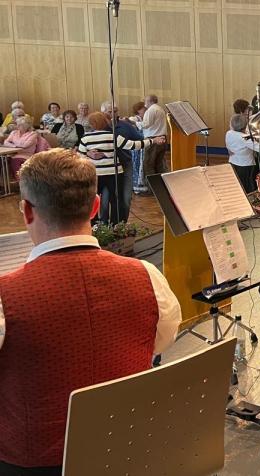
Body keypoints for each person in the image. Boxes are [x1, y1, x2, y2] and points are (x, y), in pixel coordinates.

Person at [0, 148, 181, 474]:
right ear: (96, 206)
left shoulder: (5, 295)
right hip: (129, 451)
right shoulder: (147, 276)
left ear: (27, 211)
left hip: (36, 465)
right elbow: (157, 345)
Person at [78, 111, 163, 224]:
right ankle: (116, 225)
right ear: (104, 122)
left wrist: (89, 154)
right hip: (114, 173)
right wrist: (153, 140)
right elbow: (133, 145)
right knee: (116, 200)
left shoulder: (86, 138)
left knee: (94, 200)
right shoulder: (113, 136)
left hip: (95, 174)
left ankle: (93, 224)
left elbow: (79, 156)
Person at [226, 111, 260, 193]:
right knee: (247, 184)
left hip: (233, 162)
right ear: (245, 126)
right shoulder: (245, 138)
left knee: (237, 182)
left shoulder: (229, 133)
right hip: (245, 165)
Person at [140, 94, 168, 181]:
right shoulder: (160, 108)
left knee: (148, 164)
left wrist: (134, 123)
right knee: (159, 164)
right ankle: (162, 186)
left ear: (150, 101)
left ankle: (151, 189)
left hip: (153, 139)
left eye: (146, 101)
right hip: (162, 138)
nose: (145, 103)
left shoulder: (151, 110)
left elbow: (146, 124)